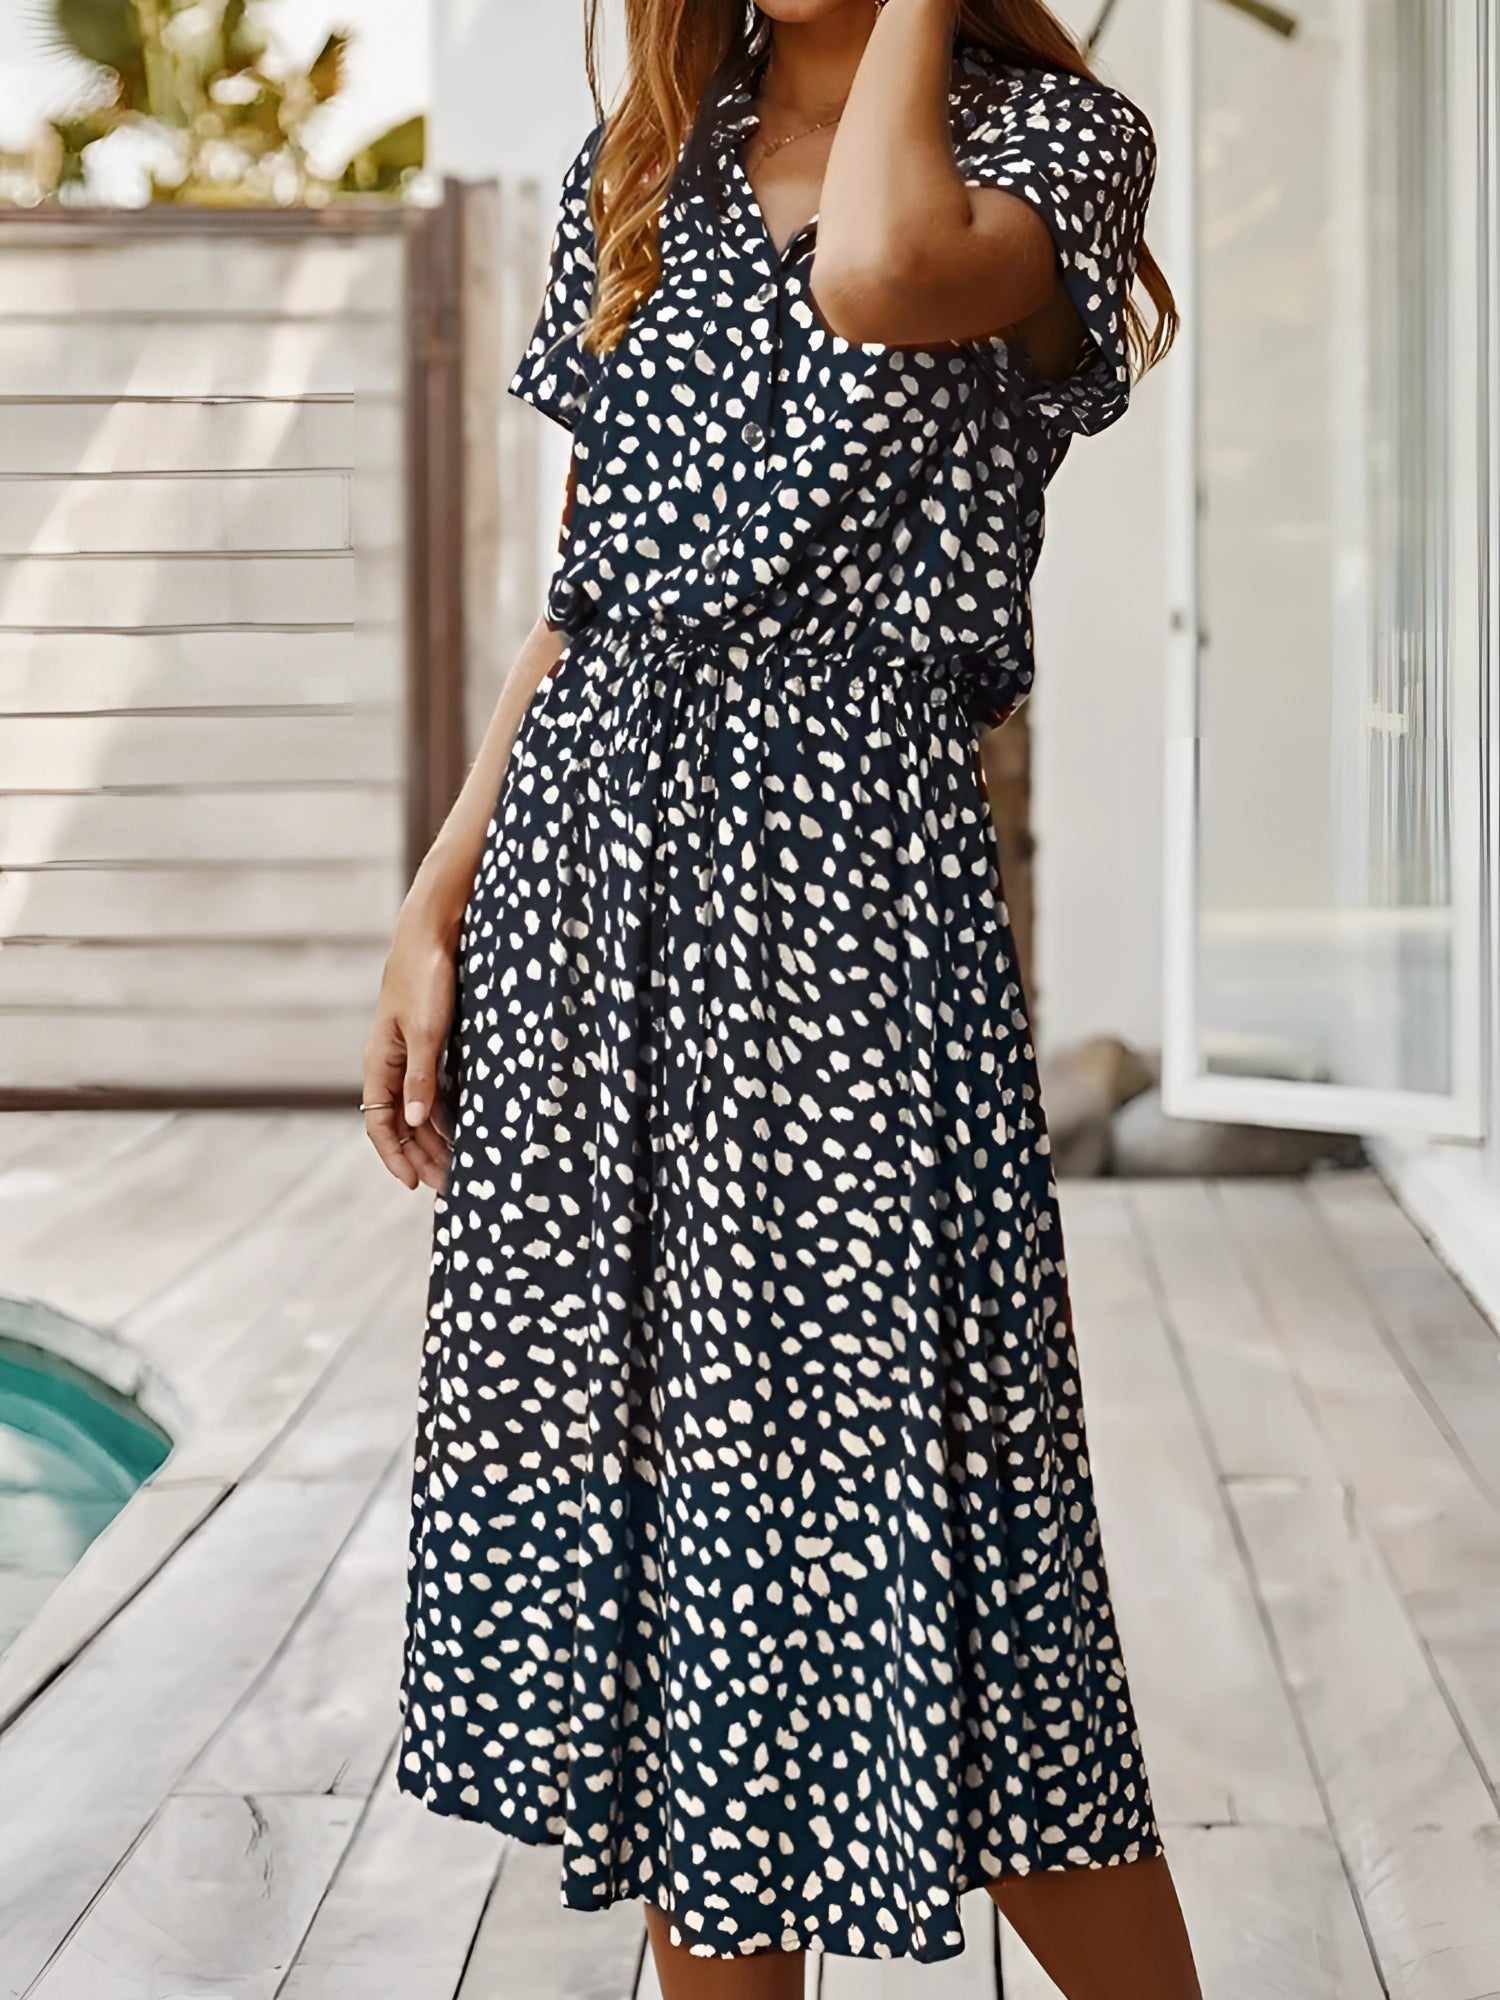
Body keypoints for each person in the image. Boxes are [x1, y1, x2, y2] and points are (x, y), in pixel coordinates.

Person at [364, 2, 1200, 1994]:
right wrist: (440, 890)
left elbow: (884, 270)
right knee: (679, 1576)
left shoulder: (1056, 150)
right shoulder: (641, 163)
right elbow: (589, 582)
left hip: (854, 901)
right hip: (592, 889)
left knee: (968, 1562)